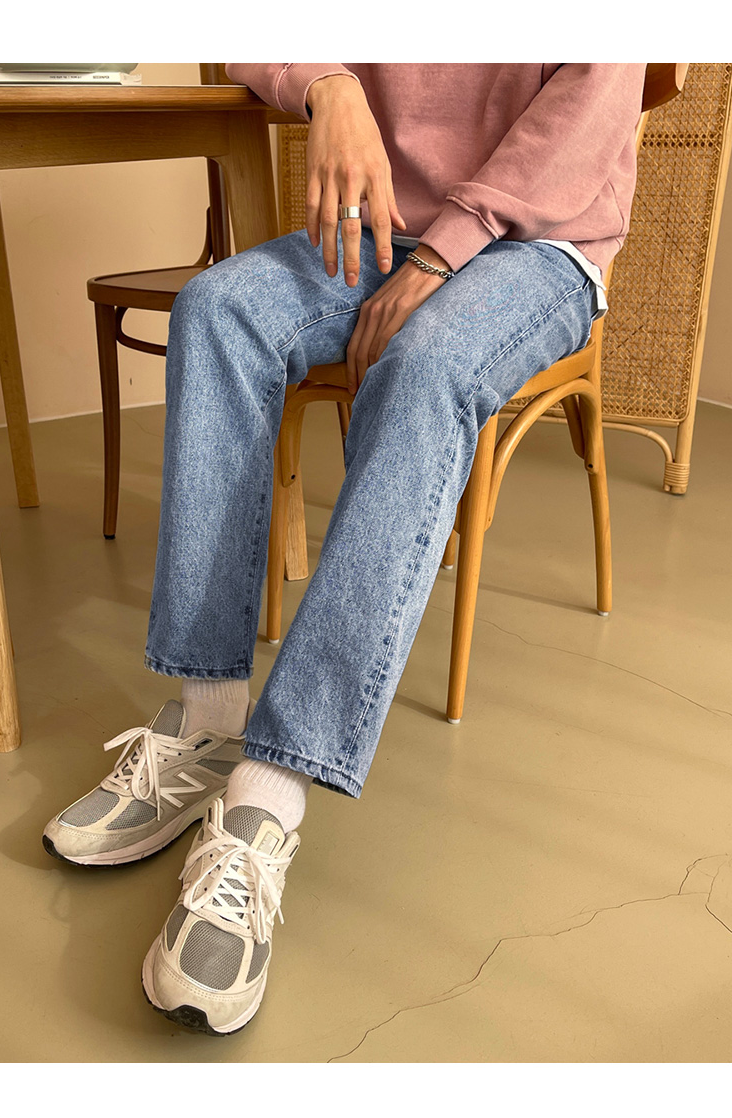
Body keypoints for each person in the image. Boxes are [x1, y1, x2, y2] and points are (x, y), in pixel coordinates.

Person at [43, 63, 647, 1036]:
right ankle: (207, 719)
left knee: (425, 367)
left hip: (541, 242)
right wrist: (328, 83)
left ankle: (265, 801)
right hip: (381, 229)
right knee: (217, 309)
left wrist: (443, 253)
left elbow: (588, 113)